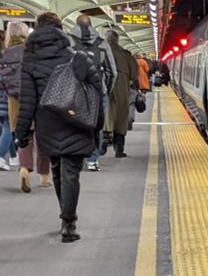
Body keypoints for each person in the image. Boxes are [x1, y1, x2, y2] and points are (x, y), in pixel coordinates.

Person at [15, 12, 102, 242]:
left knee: (56, 169)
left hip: (47, 123)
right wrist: (97, 124)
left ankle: (66, 216)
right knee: (71, 171)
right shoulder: (77, 57)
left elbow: (27, 101)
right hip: (76, 120)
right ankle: (69, 222)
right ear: (61, 31)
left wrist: (22, 133)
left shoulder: (30, 61)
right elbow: (96, 91)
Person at [1, 21, 48, 191]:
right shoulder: (32, 52)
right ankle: (44, 176)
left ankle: (24, 169)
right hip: (34, 98)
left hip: (13, 101)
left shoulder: (4, 55)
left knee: (23, 137)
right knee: (42, 137)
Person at [67, 15, 116, 171]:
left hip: (74, 91)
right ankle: (93, 160)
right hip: (97, 91)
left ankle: (76, 158)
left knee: (74, 124)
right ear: (91, 25)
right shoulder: (102, 44)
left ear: (76, 24)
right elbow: (112, 72)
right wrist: (105, 89)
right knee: (96, 125)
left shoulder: (68, 41)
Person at [104, 29, 138, 157]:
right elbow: (134, 74)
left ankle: (103, 141)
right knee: (121, 118)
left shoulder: (100, 51)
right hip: (122, 88)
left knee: (105, 116)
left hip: (104, 88)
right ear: (117, 40)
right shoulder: (126, 54)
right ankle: (119, 149)